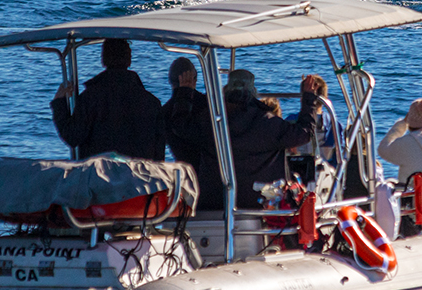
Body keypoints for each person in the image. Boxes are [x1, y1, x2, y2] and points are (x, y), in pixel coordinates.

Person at [50, 39, 164, 161]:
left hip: (98, 176)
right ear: (129, 60)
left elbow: (72, 136)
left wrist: (59, 103)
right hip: (140, 178)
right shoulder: (152, 103)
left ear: (103, 60)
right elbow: (159, 155)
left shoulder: (90, 97)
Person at [223, 69, 318, 209]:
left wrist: (184, 93)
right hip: (261, 203)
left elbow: (181, 128)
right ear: (253, 92)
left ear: (225, 91)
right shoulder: (266, 123)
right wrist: (309, 99)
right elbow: (304, 133)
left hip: (218, 200)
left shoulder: (209, 121)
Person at [160, 56, 225, 211]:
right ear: (194, 79)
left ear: (170, 81)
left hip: (184, 180)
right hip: (215, 179)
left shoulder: (163, 112)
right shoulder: (209, 106)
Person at [286, 74, 340, 163]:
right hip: (327, 173)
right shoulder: (334, 125)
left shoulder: (290, 121)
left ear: (301, 98)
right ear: (325, 99)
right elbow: (339, 157)